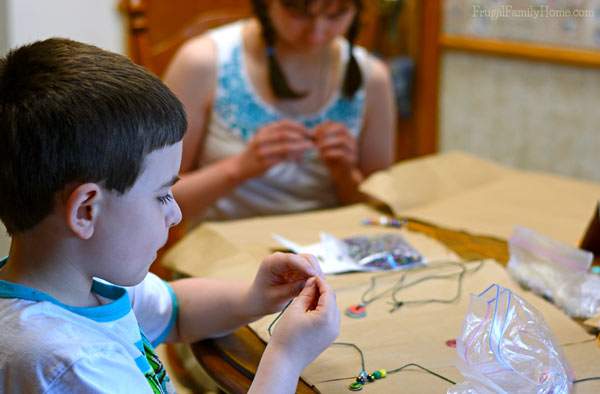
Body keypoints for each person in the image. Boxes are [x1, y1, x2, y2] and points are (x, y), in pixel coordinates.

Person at [0, 38, 339, 393]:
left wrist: (254, 298)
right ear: (86, 211)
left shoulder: (85, 284)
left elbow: (178, 311)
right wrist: (285, 356)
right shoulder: (74, 365)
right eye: (162, 195)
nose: (175, 214)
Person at [165, 0, 396, 222]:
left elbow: (380, 209)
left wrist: (346, 175)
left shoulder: (372, 77)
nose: (316, 32)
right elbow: (155, 198)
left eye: (336, 14)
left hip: (329, 248)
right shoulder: (203, 62)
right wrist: (238, 168)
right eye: (299, 12)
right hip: (225, 249)